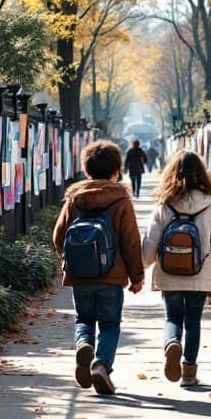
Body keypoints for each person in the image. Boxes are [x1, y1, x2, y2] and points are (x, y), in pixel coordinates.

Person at [53, 140, 145, 396]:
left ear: (86, 169)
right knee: (109, 324)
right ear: (117, 170)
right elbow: (130, 241)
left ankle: (83, 344)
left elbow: (57, 237)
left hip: (80, 276)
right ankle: (102, 364)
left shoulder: (74, 199)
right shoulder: (120, 200)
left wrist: (70, 260)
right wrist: (136, 277)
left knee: (83, 319)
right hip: (111, 277)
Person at [142, 150, 211, 387]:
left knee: (172, 316)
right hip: (201, 275)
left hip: (169, 273)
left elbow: (151, 241)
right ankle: (189, 372)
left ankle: (171, 342)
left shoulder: (165, 206)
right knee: (193, 322)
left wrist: (142, 266)